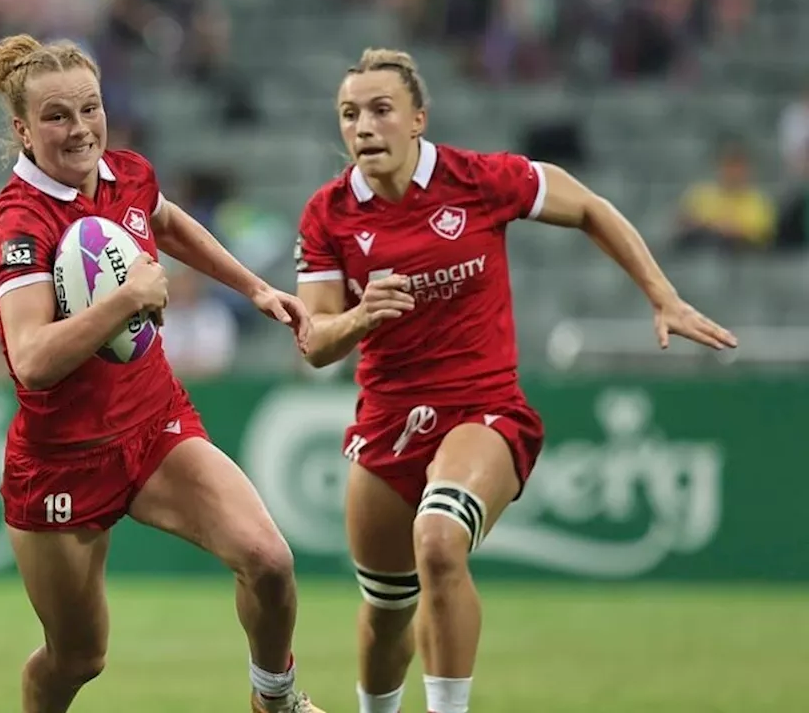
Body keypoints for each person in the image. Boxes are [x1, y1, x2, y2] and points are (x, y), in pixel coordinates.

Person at [294, 49, 738, 713]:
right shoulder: (328, 214)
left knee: (440, 542)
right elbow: (315, 341)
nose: (363, 127)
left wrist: (662, 295)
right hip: (386, 421)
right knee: (387, 610)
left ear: (418, 118)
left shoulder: (478, 179)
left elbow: (586, 206)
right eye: (349, 114)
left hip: (483, 409)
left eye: (381, 110)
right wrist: (361, 316)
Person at [0, 34, 322, 713]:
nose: (80, 129)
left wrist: (252, 288)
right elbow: (32, 360)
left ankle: (273, 701)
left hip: (154, 425)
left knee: (270, 562)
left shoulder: (126, 173)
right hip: (62, 460)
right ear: (21, 128)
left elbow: (166, 222)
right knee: (78, 658)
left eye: (90, 108)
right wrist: (125, 301)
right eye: (56, 116)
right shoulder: (19, 224)